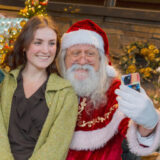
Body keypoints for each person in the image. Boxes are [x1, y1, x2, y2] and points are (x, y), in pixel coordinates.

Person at [57, 19, 160, 160]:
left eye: (90, 53)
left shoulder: (115, 89)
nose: (82, 60)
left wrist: (149, 123)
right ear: (64, 59)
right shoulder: (54, 87)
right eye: (75, 53)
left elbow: (132, 128)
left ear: (101, 60)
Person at [0, 15, 78, 160]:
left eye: (51, 43)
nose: (46, 50)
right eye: (38, 42)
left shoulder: (65, 93)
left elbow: (56, 148)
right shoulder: (4, 83)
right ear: (24, 45)